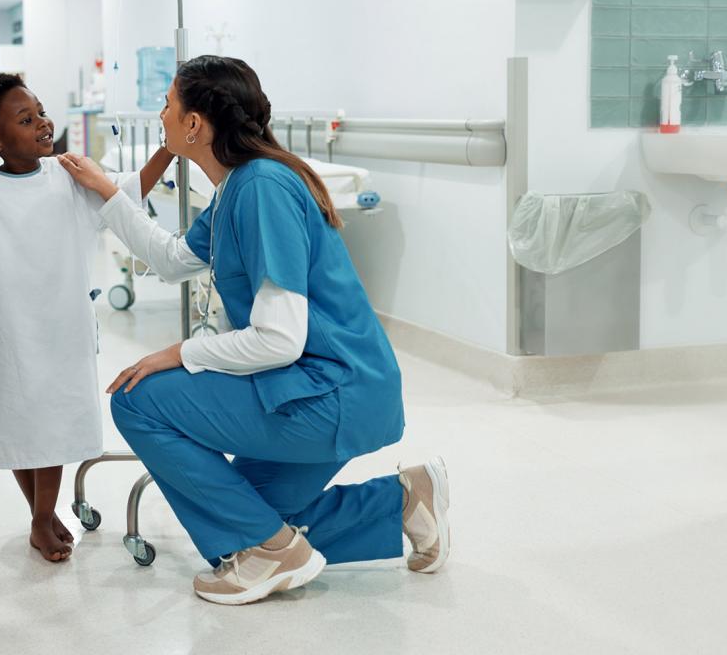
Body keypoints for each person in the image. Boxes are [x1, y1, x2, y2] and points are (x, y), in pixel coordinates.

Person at [58, 55, 451, 606]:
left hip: (330, 394)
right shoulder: (236, 188)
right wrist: (107, 191)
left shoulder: (262, 187)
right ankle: (403, 501)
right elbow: (171, 260)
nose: (161, 115)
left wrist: (180, 352)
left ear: (194, 124)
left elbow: (279, 339)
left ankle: (270, 552)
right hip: (321, 388)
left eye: (168, 105)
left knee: (138, 400)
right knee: (252, 517)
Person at [0, 74, 173, 562]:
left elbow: (129, 189)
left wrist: (170, 149)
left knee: (50, 424)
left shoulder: (69, 175)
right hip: (10, 333)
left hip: (62, 329)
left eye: (41, 111)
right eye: (25, 119)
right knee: (19, 425)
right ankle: (41, 515)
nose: (42, 123)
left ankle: (42, 516)